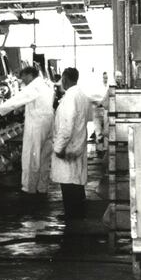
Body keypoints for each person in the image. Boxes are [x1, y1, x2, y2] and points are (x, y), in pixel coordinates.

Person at [0, 66, 54, 194]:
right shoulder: (45, 85)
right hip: (48, 124)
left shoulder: (34, 86)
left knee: (31, 156)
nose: (23, 81)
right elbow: (32, 102)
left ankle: (29, 188)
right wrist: (19, 110)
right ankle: (42, 187)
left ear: (30, 75)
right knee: (44, 158)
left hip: (36, 125)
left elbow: (18, 99)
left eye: (23, 78)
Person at [51, 68, 91, 220]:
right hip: (78, 142)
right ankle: (78, 213)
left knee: (68, 183)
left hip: (69, 145)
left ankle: (72, 216)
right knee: (76, 181)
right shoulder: (81, 94)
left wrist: (59, 148)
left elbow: (66, 126)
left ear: (65, 79)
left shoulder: (70, 97)